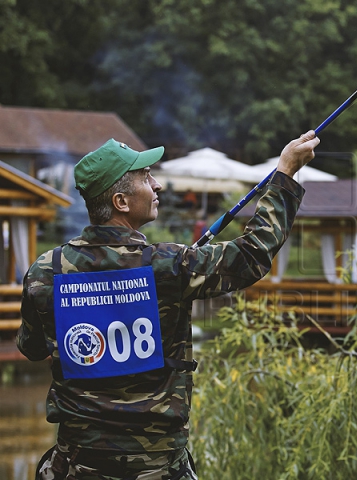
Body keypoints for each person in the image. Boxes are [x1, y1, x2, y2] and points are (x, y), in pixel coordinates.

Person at [17, 131, 319, 479]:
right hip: (158, 468)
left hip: (75, 466)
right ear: (121, 202)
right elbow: (251, 255)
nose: (158, 185)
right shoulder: (166, 266)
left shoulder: (46, 270)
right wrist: (284, 174)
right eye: (146, 178)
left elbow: (33, 348)